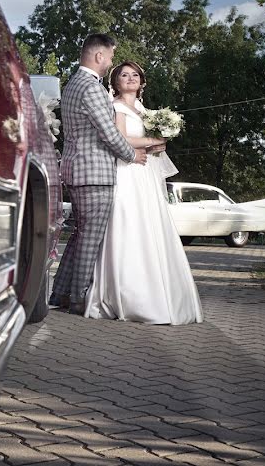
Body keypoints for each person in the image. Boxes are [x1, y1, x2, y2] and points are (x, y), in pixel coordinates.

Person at [83, 61, 204, 325]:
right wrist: (152, 141)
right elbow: (120, 138)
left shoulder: (145, 111)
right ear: (115, 81)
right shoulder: (115, 107)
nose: (130, 78)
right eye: (124, 75)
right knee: (129, 225)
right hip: (127, 172)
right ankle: (128, 296)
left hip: (146, 174)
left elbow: (151, 143)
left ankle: (159, 291)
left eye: (135, 75)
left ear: (142, 81)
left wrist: (159, 143)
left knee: (151, 227)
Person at [49, 34, 148, 315]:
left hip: (77, 170)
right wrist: (132, 155)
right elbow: (108, 132)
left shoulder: (72, 84)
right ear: (99, 56)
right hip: (93, 173)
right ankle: (79, 298)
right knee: (91, 237)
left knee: (81, 235)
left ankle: (62, 292)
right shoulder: (90, 87)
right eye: (111, 57)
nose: (112, 62)